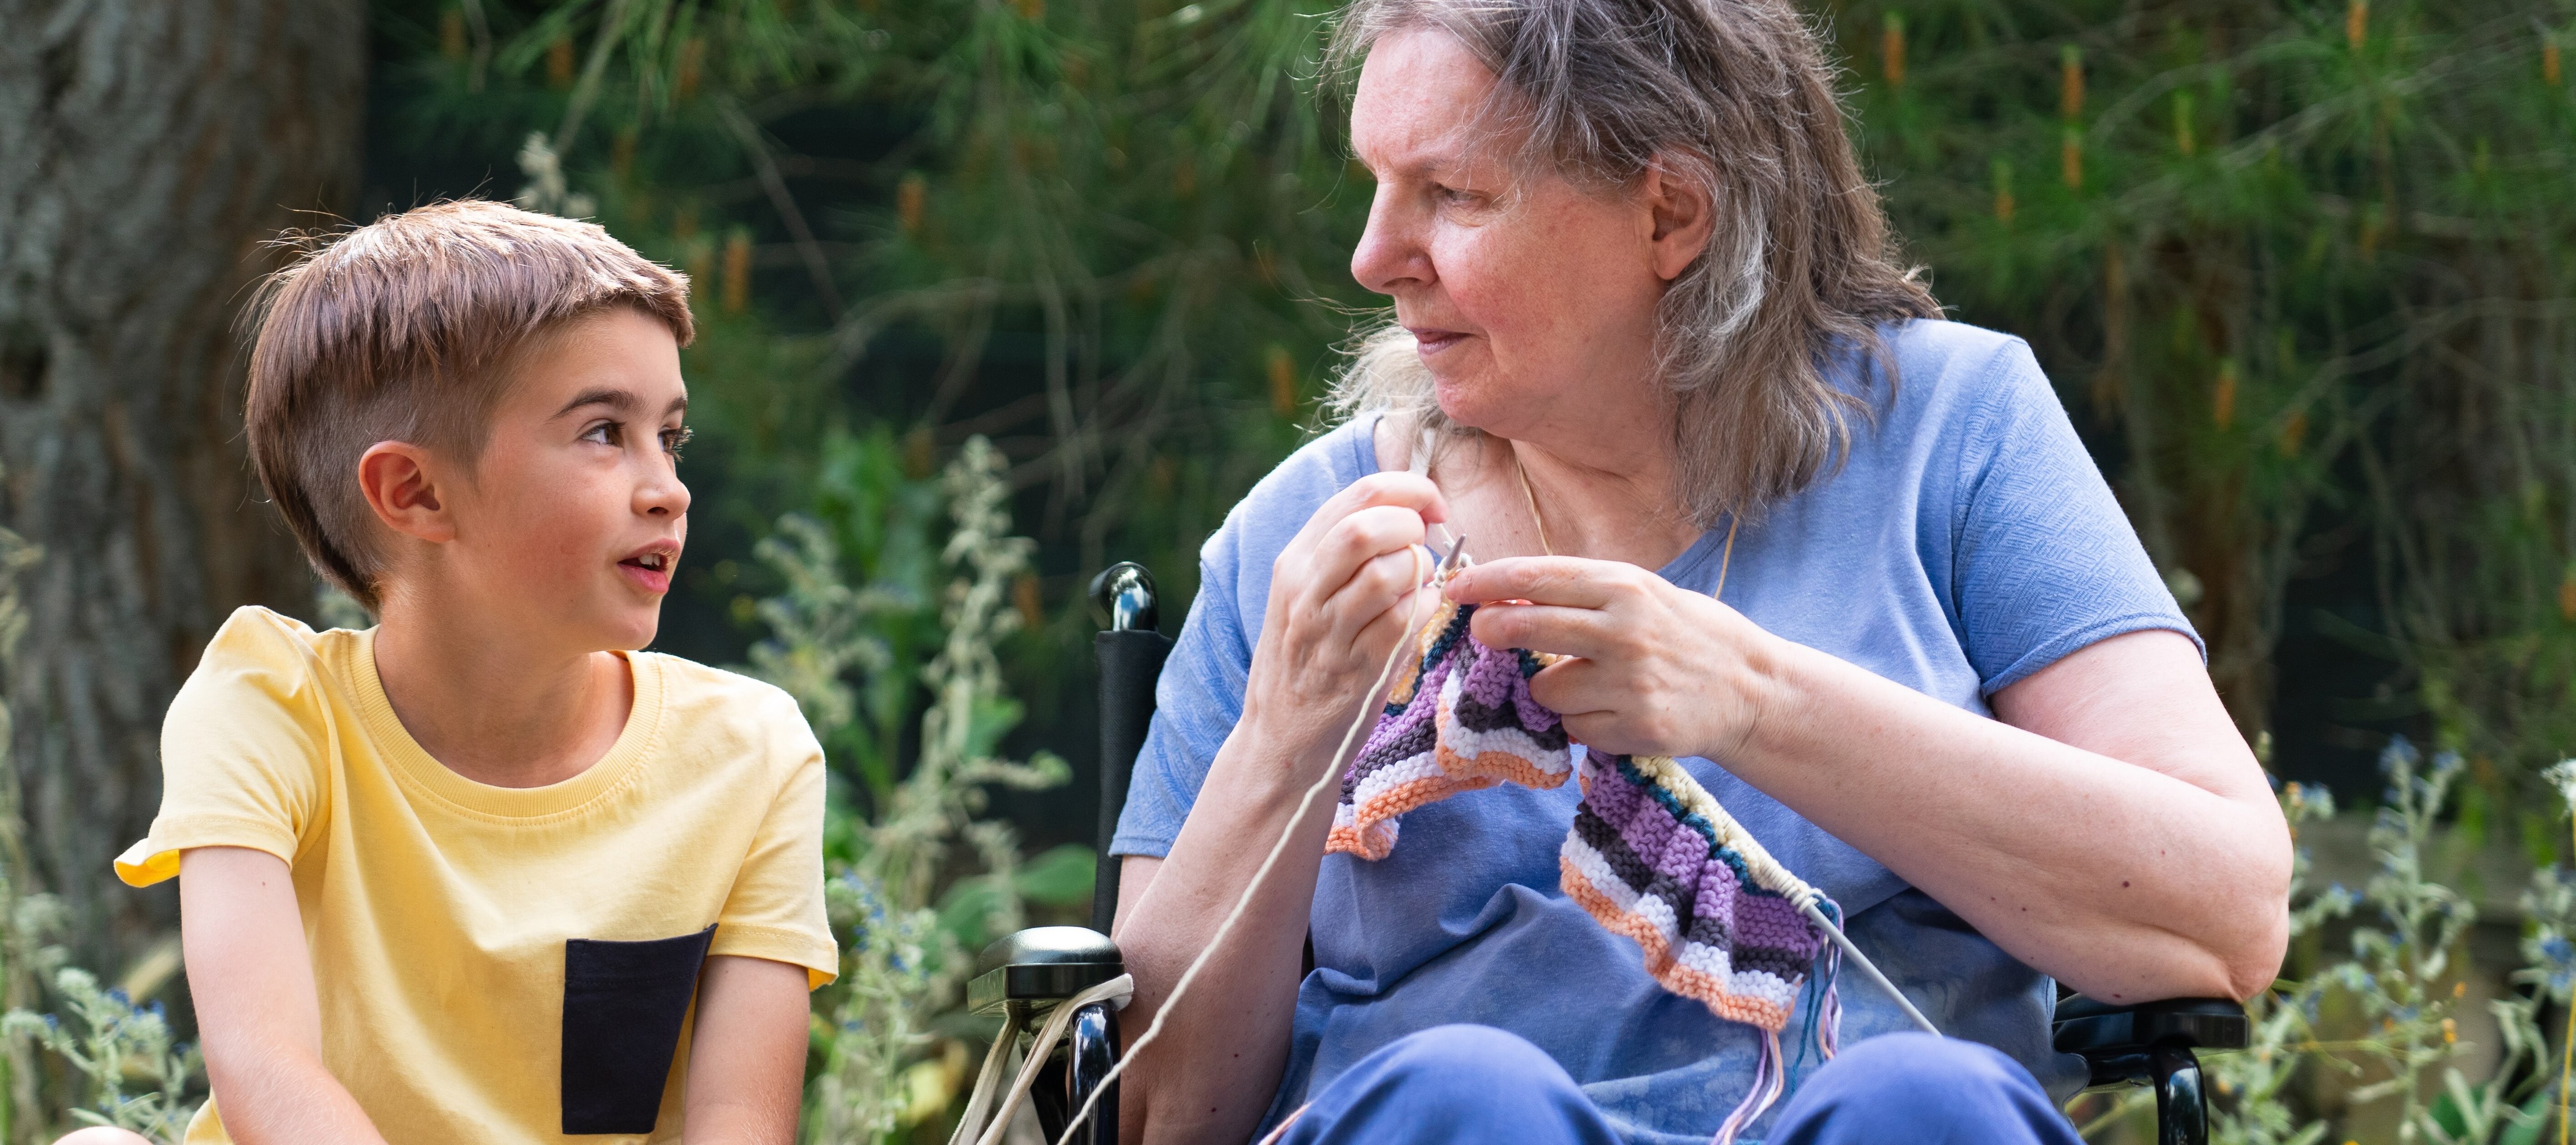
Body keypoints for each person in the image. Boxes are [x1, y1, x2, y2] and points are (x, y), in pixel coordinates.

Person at [1103, 2, 2293, 1143]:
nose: (1372, 257)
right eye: (1375, 185)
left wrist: (1755, 700)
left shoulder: (1952, 429)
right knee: (1463, 1096)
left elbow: (2223, 921)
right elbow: (1148, 1118)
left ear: (1669, 213)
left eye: (1452, 194)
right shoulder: (1310, 539)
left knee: (1918, 1103)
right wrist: (1278, 741)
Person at [60, 201, 832, 1145]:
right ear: (416, 493)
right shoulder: (269, 706)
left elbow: (739, 1124)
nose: (665, 485)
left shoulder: (749, 755)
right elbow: (265, 1068)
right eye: (602, 432)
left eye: (668, 436)